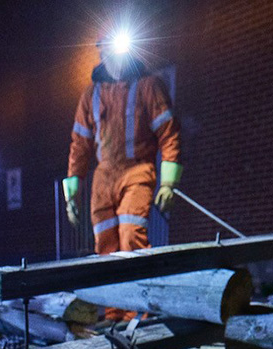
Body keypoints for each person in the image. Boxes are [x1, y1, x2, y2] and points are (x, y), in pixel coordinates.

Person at [63, 26, 184, 322]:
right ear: (101, 52)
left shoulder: (148, 86)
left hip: (137, 171)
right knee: (105, 246)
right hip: (103, 178)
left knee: (131, 239)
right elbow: (79, 145)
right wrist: (71, 194)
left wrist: (168, 183)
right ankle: (112, 314)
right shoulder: (90, 95)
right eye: (108, 50)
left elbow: (169, 134)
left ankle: (136, 315)